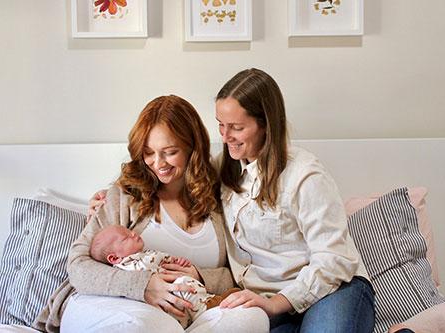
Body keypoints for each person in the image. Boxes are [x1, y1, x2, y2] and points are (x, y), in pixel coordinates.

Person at [88, 69, 376, 332]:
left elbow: (334, 260)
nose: (226, 137)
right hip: (262, 303)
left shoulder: (305, 175)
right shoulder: (222, 171)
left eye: (237, 127)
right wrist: (111, 194)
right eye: (220, 125)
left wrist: (277, 303)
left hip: (330, 290)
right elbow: (173, 173)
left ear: (266, 125)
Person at [50, 95, 269, 333]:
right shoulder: (125, 195)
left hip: (193, 311)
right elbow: (78, 266)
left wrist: (201, 276)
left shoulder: (222, 195)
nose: (158, 163)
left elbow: (240, 274)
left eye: (170, 152)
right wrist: (143, 286)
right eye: (148, 152)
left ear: (192, 147)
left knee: (252, 318)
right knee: (144, 326)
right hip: (124, 305)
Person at [89, 224, 240, 329]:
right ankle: (208, 305)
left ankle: (206, 306)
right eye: (125, 238)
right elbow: (80, 266)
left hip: (175, 305)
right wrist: (144, 285)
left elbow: (168, 260)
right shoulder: (127, 267)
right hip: (160, 308)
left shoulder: (147, 255)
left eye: (130, 231)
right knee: (182, 284)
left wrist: (183, 264)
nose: (133, 233)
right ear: (114, 259)